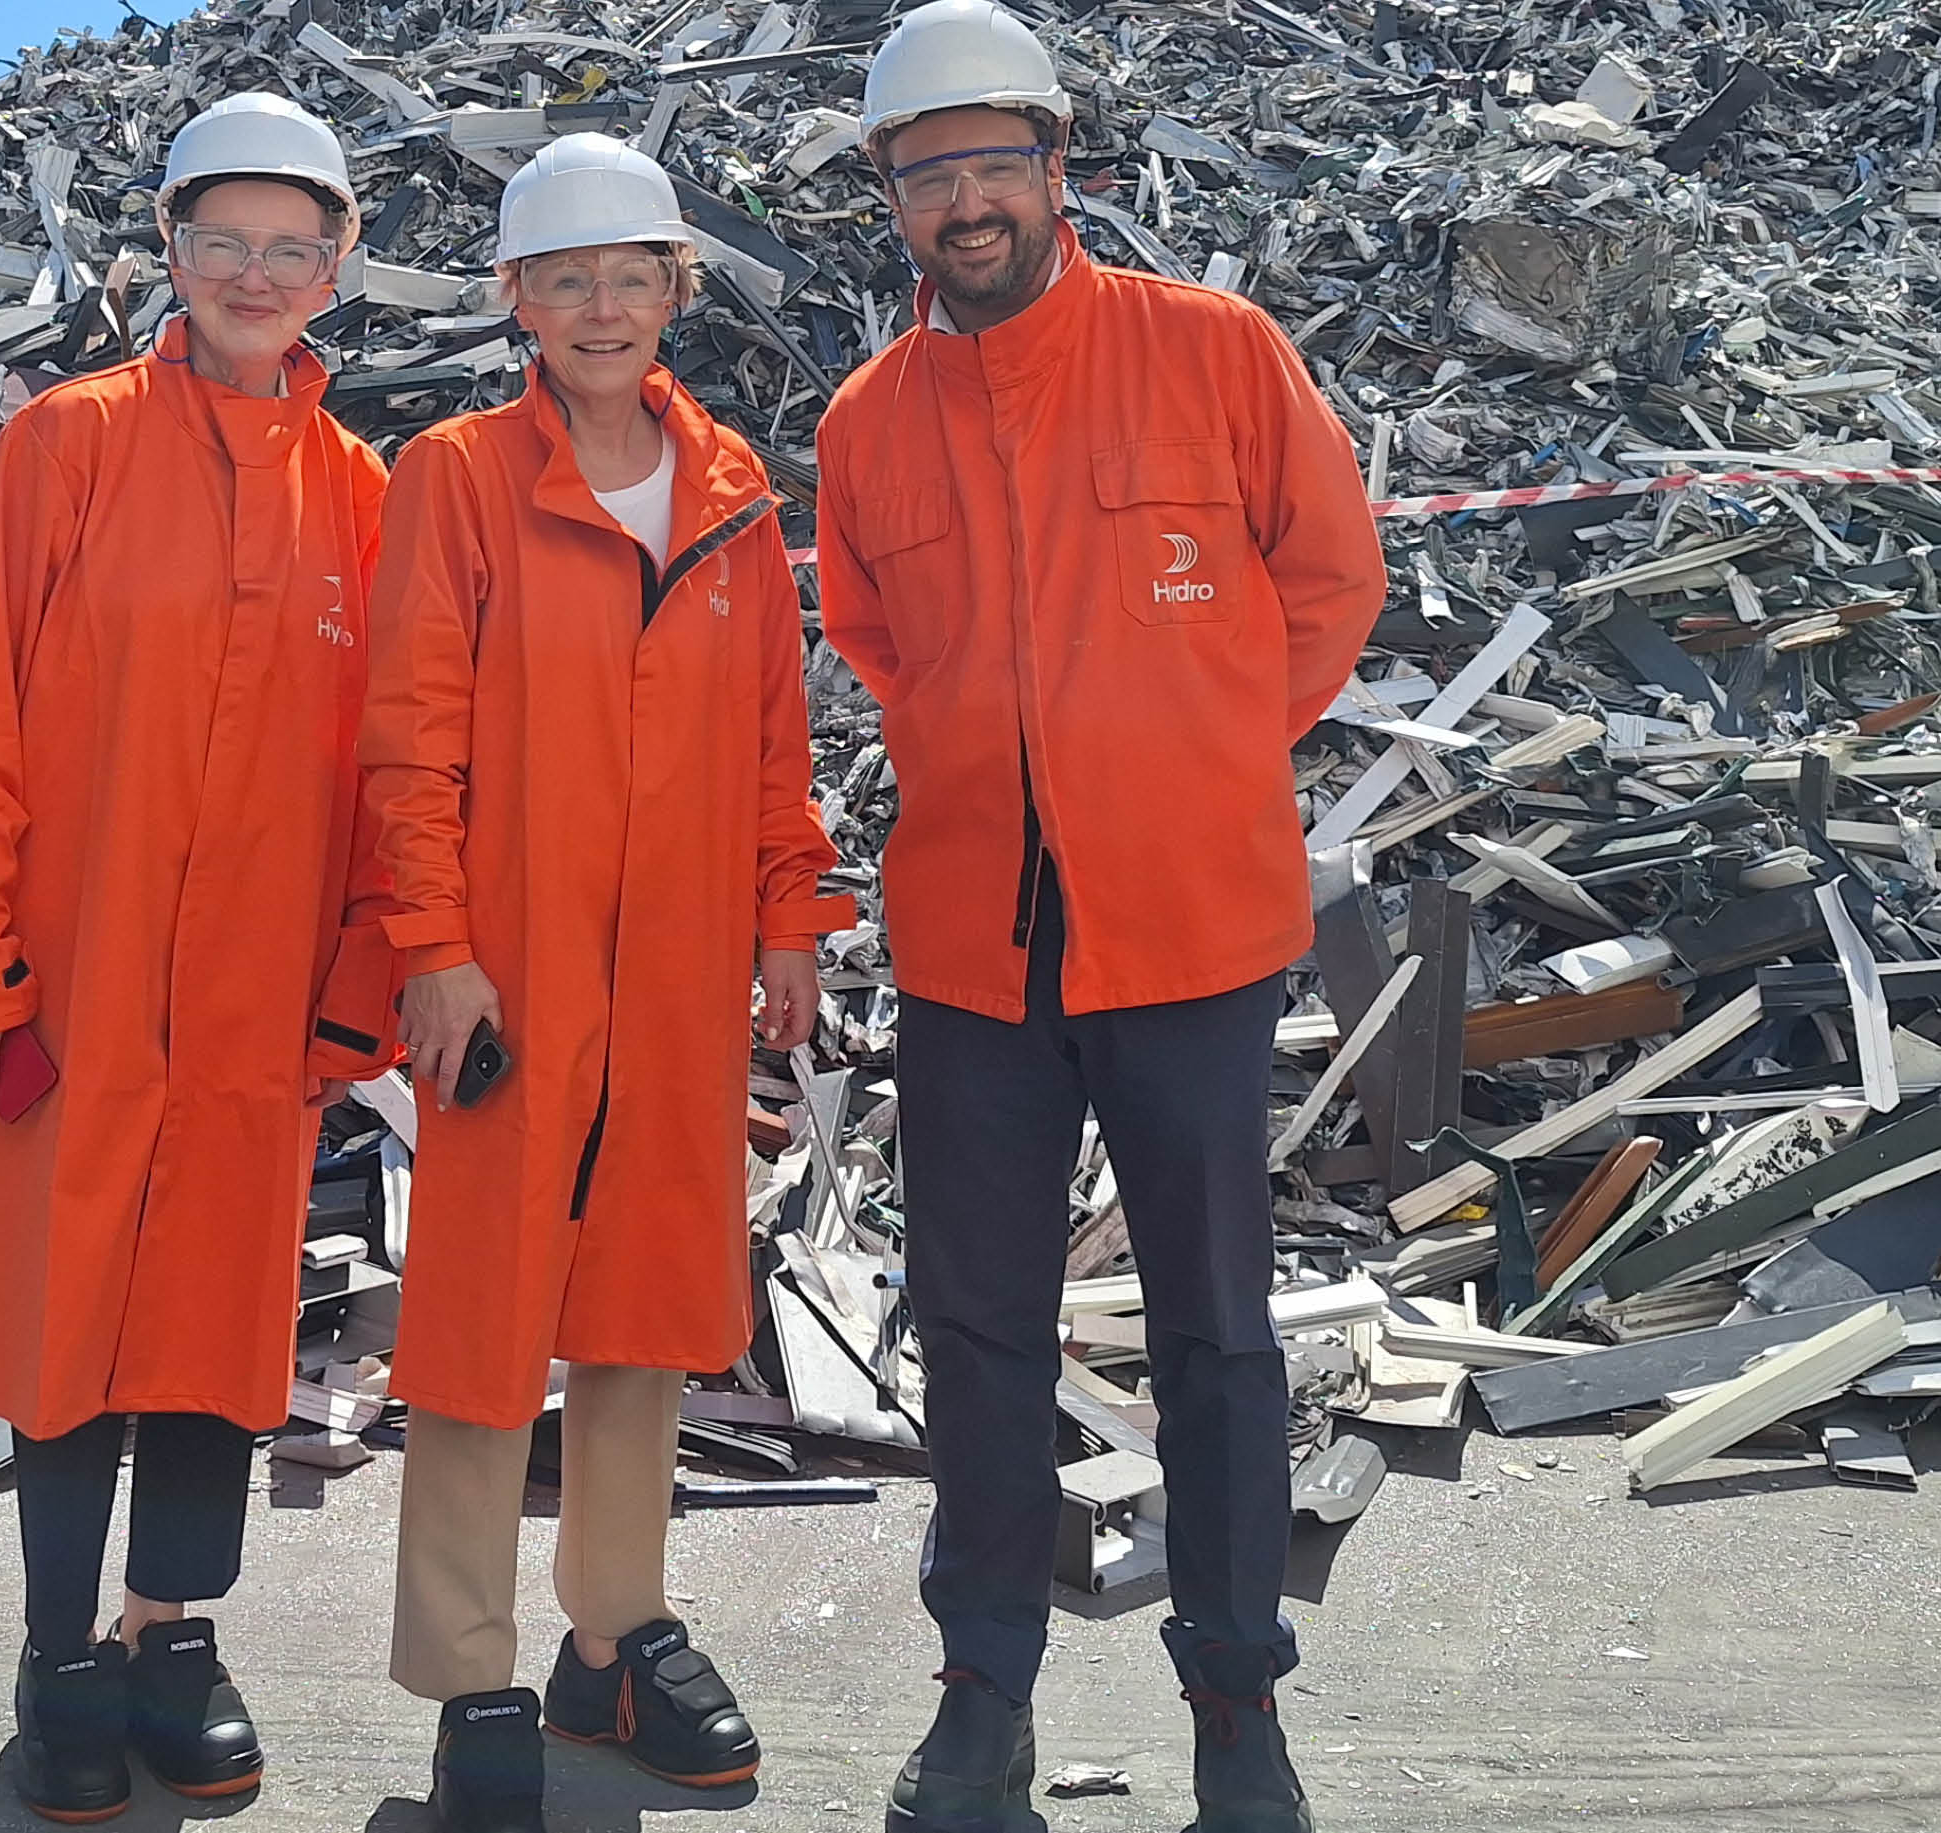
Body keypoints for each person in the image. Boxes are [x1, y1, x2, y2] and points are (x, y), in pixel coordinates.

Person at [810, 6, 1388, 1830]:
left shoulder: (1207, 351)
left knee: (1217, 1327)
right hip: (973, 944)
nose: (962, 201)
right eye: (926, 174)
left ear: (1059, 171)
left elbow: (1326, 574)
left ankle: (1235, 1701)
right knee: (977, 1324)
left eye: (992, 163)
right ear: (889, 201)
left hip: (1187, 934)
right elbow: (877, 642)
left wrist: (1194, 751)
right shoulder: (866, 420)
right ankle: (981, 1690)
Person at [0, 91, 397, 1827]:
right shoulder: (70, 442)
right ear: (167, 251)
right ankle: (58, 1670)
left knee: (209, 1337)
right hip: (69, 991)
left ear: (337, 267)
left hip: (257, 1008)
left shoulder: (362, 492)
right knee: (63, 1337)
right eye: (222, 240)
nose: (256, 273)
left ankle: (170, 1638)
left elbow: (391, 766)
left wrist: (356, 980)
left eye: (291, 246)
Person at [358, 132, 851, 1833]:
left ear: (674, 293)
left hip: (681, 972)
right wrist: (433, 946)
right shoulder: (457, 473)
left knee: (647, 1313)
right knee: (486, 1324)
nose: (597, 306)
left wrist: (791, 915)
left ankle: (614, 1634)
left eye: (627, 275)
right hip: (512, 975)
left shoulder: (727, 486)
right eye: (561, 278)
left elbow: (776, 734)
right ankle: (468, 1671)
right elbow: (408, 738)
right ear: (512, 300)